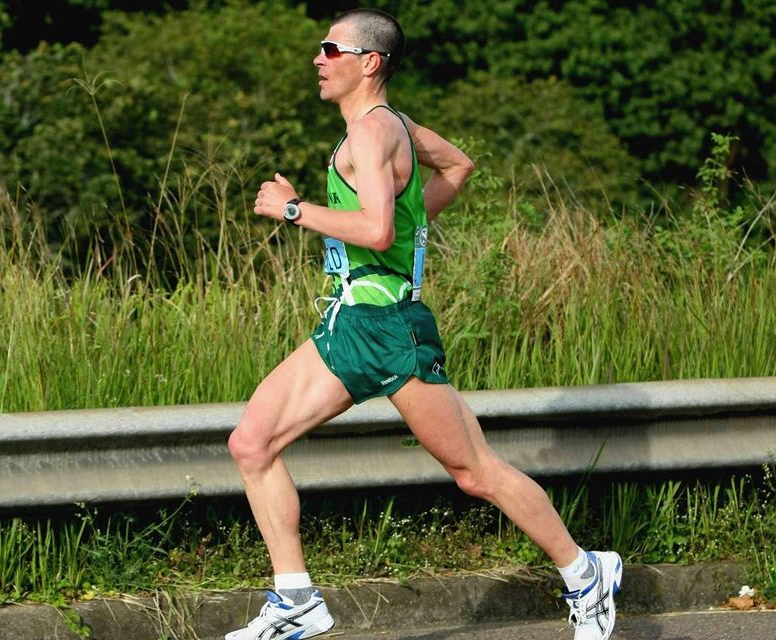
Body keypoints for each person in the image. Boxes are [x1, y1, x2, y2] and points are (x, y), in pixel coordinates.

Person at [228, 8, 621, 640]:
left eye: (331, 49)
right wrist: (402, 233)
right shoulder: (394, 126)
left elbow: (379, 229)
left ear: (369, 61)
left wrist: (295, 209)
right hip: (351, 322)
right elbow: (458, 166)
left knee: (474, 472)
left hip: (388, 328)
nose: (318, 60)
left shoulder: (369, 135)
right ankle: (295, 599)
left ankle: (584, 572)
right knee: (252, 443)